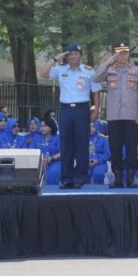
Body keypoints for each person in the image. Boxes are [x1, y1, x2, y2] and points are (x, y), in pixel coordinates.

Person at [40, 43, 101, 189]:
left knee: (81, 143)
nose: (74, 56)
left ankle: (80, 177)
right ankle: (66, 178)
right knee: (66, 144)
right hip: (66, 109)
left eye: (77, 53)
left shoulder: (88, 71)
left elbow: (96, 91)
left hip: (82, 109)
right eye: (71, 54)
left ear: (81, 56)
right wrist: (56, 58)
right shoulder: (60, 70)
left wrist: (96, 110)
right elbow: (43, 73)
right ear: (66, 56)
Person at [93, 41, 138, 188]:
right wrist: (108, 62)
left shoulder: (136, 71)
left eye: (125, 52)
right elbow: (95, 78)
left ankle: (130, 176)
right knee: (115, 147)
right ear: (114, 54)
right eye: (119, 52)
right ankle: (117, 176)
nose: (123, 55)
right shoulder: (109, 70)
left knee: (131, 147)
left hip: (131, 116)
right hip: (114, 116)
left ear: (129, 54)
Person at [31, 117, 61, 186]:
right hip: (39, 162)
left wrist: (51, 158)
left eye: (44, 126)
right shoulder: (37, 138)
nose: (42, 128)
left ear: (51, 127)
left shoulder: (57, 137)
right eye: (41, 126)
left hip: (55, 161)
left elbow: (62, 152)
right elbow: (31, 151)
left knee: (53, 172)